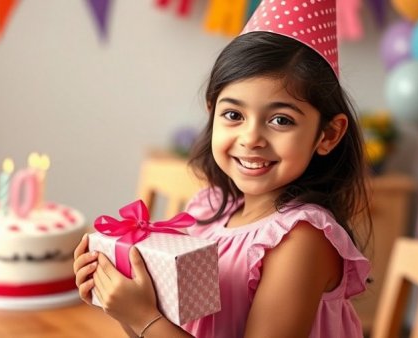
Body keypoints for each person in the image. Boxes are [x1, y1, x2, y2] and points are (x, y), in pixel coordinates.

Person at [73, 0, 372, 336]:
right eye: (234, 115)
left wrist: (144, 317)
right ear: (212, 112)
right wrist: (122, 302)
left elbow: (153, 327)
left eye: (280, 120)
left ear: (328, 134)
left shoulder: (301, 240)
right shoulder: (210, 209)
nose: (251, 138)